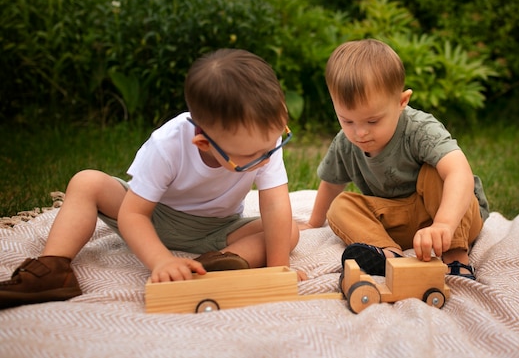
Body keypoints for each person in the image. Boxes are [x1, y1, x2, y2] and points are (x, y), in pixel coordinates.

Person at [0, 49, 301, 309]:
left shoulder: (264, 142)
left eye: (273, 143)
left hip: (218, 229)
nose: (266, 157)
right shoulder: (168, 144)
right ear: (204, 143)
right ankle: (54, 267)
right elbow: (133, 213)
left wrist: (278, 270)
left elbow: (274, 206)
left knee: (288, 231)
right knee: (87, 182)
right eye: (252, 155)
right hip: (153, 217)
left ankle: (217, 262)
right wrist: (161, 261)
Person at [301, 39, 489, 279]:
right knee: (340, 206)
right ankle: (389, 254)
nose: (360, 133)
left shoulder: (420, 129)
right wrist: (314, 222)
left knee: (436, 171)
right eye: (347, 121)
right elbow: (332, 183)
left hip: (452, 218)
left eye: (372, 121)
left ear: (401, 102)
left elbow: (459, 172)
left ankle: (455, 256)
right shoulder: (345, 143)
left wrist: (443, 224)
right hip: (395, 223)